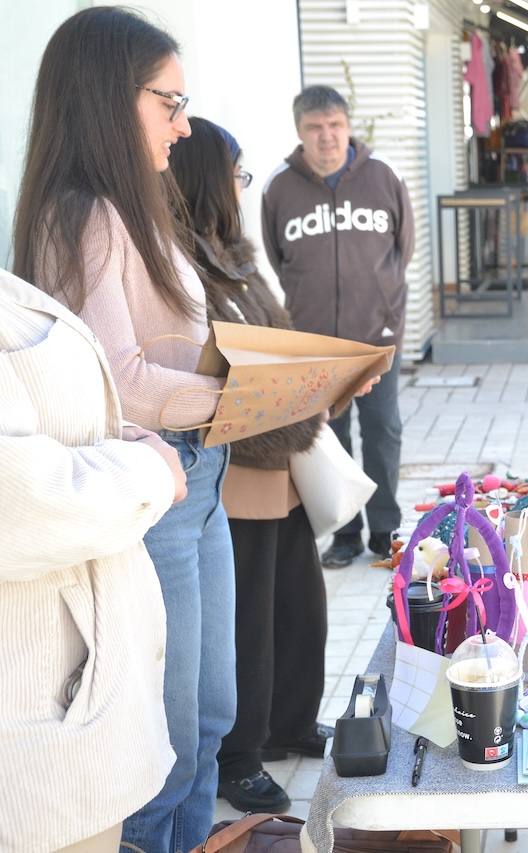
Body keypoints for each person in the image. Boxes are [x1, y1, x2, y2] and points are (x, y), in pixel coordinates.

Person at [12, 8, 236, 851]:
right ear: (110, 98)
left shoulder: (130, 203)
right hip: (154, 484)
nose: (184, 125)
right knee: (162, 752)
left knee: (210, 718)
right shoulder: (82, 215)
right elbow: (119, 386)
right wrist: (237, 399)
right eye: (170, 102)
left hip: (195, 477)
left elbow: (167, 350)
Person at [169, 118, 333, 813]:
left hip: (280, 458)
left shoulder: (233, 254)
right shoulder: (177, 263)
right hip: (230, 473)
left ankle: (289, 724)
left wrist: (327, 373)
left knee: (302, 607)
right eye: (236, 175)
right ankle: (238, 757)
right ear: (207, 178)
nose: (242, 188)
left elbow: (277, 339)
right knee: (247, 625)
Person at [0, 268, 186, 853]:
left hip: (57, 707)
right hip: (31, 726)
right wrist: (151, 469)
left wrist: (112, 436)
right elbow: (17, 504)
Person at [261, 85, 415, 568]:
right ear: (299, 132)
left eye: (335, 126)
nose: (327, 137)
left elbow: (401, 249)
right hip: (314, 345)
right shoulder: (279, 186)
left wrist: (383, 311)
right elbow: (278, 259)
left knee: (383, 430)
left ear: (348, 127)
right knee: (330, 437)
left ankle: (385, 529)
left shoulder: (383, 176)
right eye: (315, 128)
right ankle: (345, 532)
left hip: (376, 341)